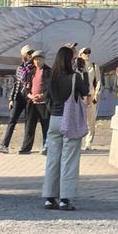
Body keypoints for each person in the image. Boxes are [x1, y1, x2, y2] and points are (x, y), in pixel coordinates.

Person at [43, 43, 89, 211]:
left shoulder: (51, 77)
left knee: (52, 160)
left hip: (54, 120)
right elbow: (85, 91)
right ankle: (64, 199)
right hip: (69, 121)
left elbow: (48, 98)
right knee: (69, 160)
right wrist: (83, 71)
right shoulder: (75, 77)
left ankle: (49, 198)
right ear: (70, 60)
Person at [0, 47, 35, 153]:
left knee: (29, 122)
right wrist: (11, 99)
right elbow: (16, 84)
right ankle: (4, 145)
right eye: (28, 53)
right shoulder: (20, 68)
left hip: (29, 97)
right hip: (19, 97)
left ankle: (26, 147)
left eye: (31, 53)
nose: (30, 55)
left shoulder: (35, 68)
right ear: (24, 55)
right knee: (12, 120)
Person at [23, 50, 50, 154]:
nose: (37, 62)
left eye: (39, 59)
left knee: (46, 126)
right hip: (32, 103)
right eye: (35, 60)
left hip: (44, 103)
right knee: (29, 126)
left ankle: (46, 147)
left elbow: (50, 88)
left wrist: (42, 95)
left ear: (43, 59)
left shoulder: (49, 71)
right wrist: (30, 96)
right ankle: (26, 148)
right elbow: (26, 87)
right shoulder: (31, 71)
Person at [76, 47, 101, 149]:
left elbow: (98, 81)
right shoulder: (77, 67)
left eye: (88, 52)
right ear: (80, 55)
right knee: (79, 120)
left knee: (91, 120)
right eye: (85, 52)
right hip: (80, 96)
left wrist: (96, 93)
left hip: (91, 95)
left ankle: (88, 143)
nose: (87, 54)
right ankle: (77, 142)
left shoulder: (94, 66)